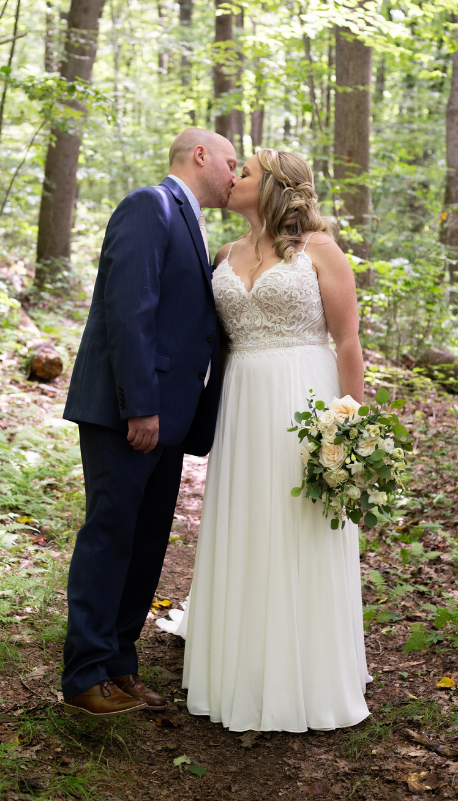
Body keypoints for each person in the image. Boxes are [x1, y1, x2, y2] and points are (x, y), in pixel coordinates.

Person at [156, 149, 371, 732]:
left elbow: (348, 342)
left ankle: (308, 670)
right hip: (242, 402)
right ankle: (242, 666)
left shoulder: (321, 252)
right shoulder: (222, 255)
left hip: (306, 395)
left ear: (274, 188)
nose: (233, 179)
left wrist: (351, 426)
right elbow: (207, 340)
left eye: (245, 172)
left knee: (300, 522)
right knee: (248, 522)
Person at [59, 128, 233, 716]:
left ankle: (118, 662)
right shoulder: (149, 204)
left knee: (148, 541)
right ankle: (84, 676)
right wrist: (141, 406)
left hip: (171, 418)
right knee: (111, 536)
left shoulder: (194, 219)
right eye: (231, 162)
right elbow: (128, 308)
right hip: (129, 412)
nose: (235, 174)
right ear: (200, 156)